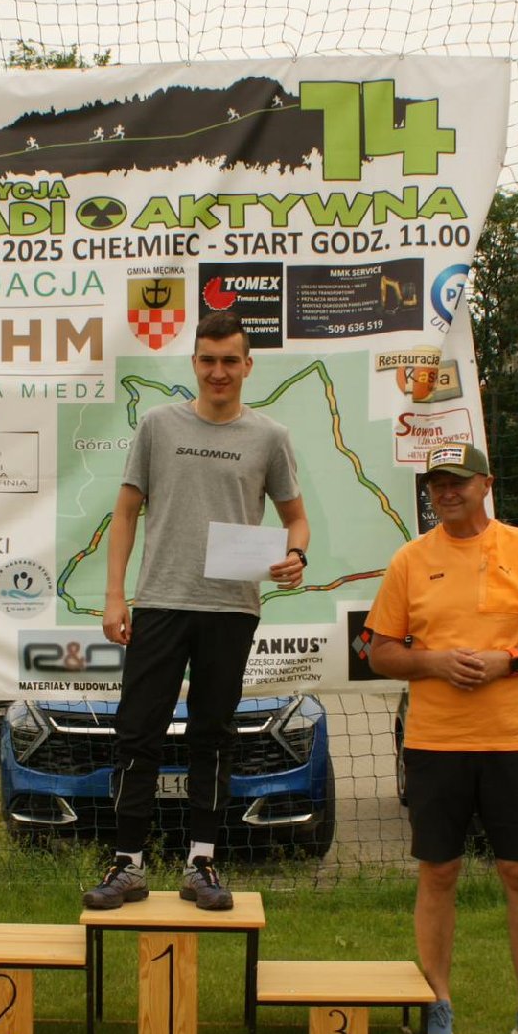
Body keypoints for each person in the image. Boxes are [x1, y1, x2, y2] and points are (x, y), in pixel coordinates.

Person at [83, 312, 310, 912]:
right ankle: (127, 865)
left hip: (231, 608)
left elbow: (296, 519)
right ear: (194, 364)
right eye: (208, 360)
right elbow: (125, 512)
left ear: (247, 365)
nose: (218, 371)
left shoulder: (270, 436)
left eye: (230, 360)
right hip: (160, 601)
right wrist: (115, 595)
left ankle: (201, 863)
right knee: (138, 732)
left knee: (213, 734)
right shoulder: (158, 425)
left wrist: (296, 555)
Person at [366, 441, 518, 1034]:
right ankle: (437, 1002)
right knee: (438, 872)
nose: (446, 492)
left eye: (457, 481)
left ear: (486, 484)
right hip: (435, 743)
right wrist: (432, 662)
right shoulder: (410, 560)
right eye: (437, 484)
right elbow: (379, 652)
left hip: (512, 739)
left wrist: (508, 660)